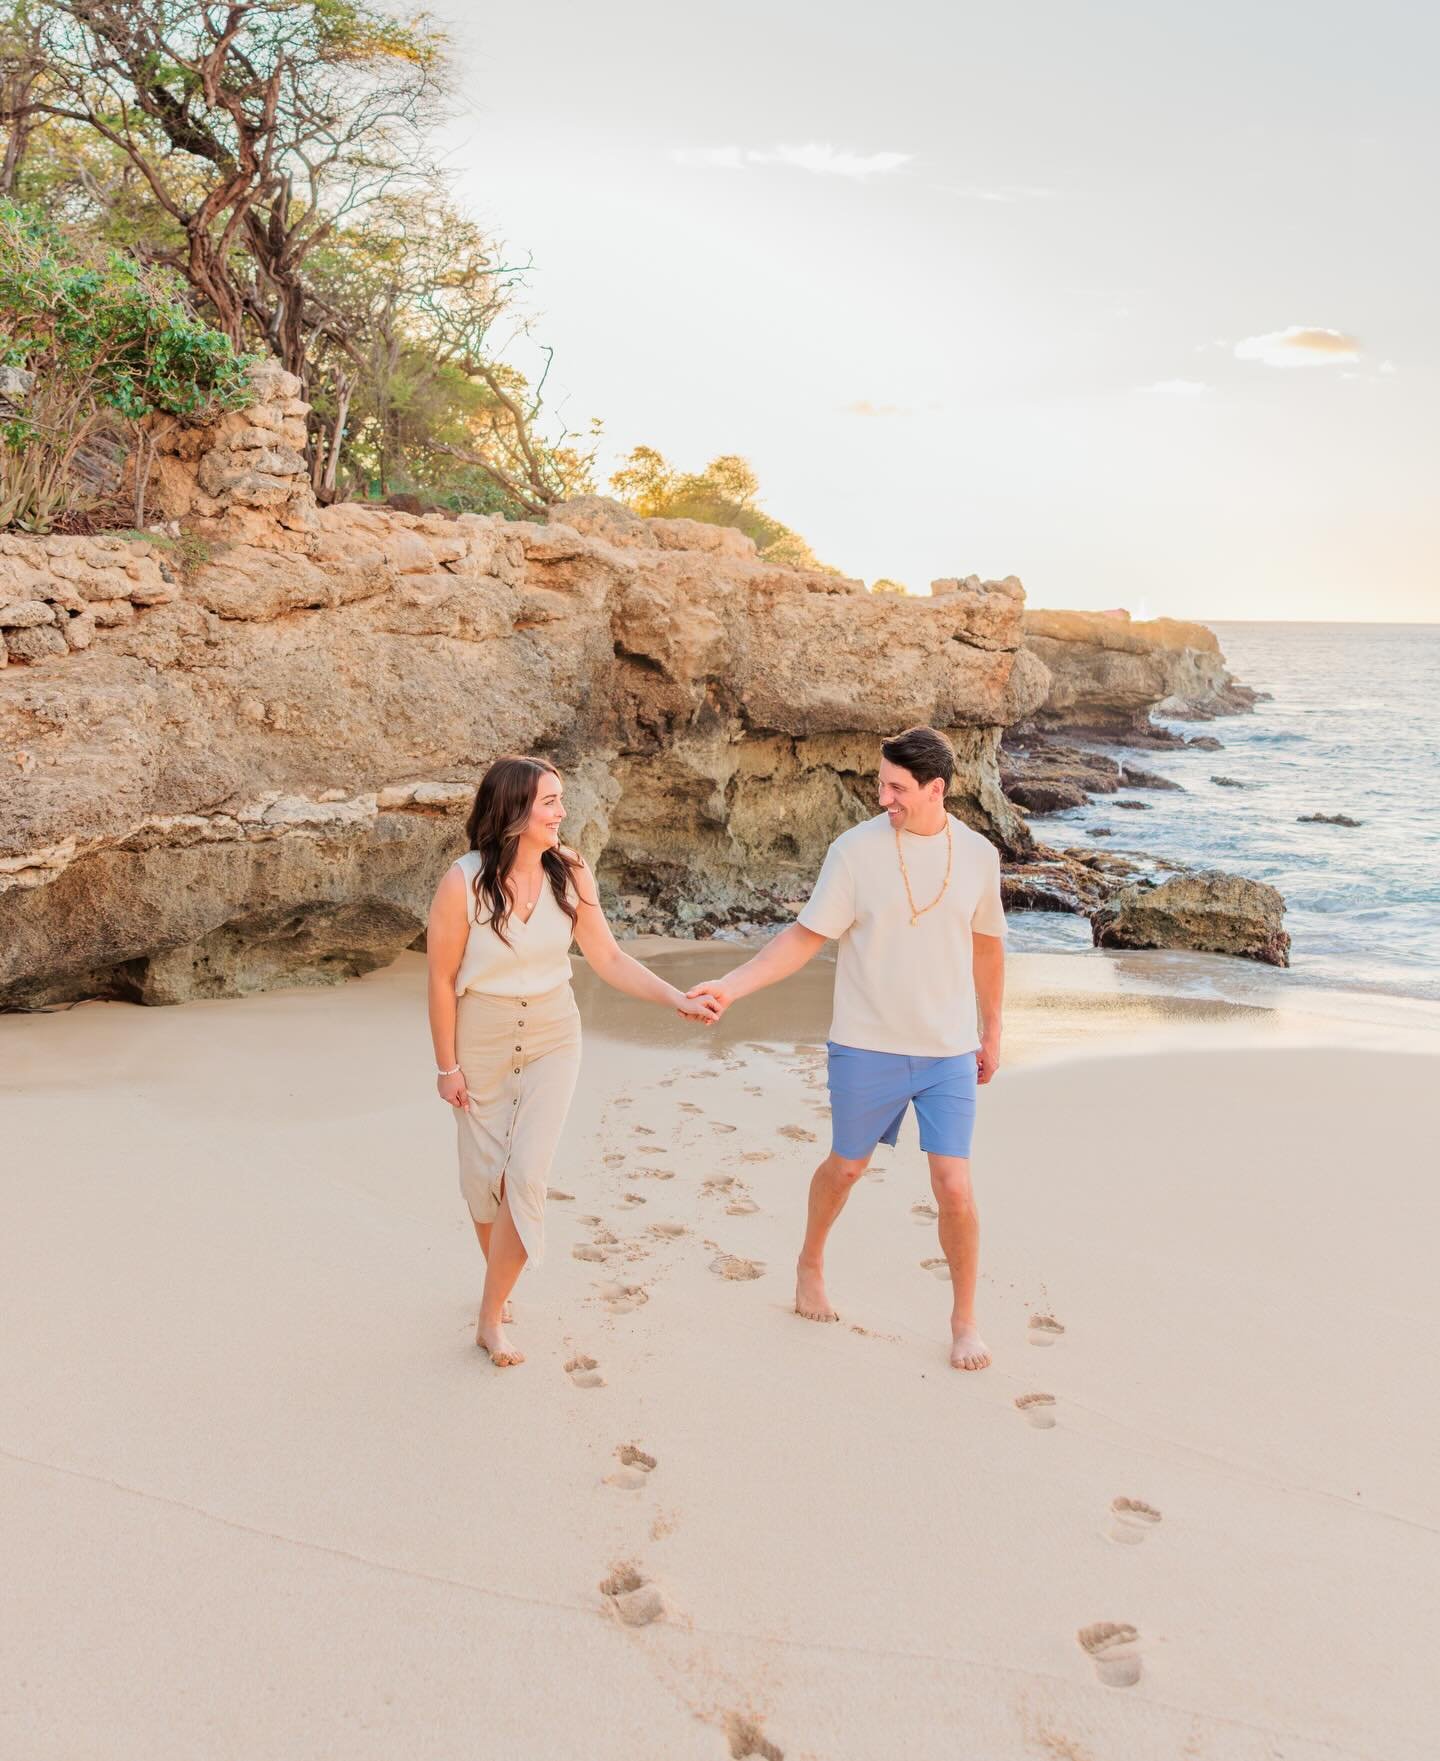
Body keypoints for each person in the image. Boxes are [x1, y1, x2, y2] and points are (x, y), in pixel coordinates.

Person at [686, 726, 1006, 1371]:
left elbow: (987, 945)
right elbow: (805, 938)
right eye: (880, 782)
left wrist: (992, 1030)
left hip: (947, 1049)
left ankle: (965, 1320)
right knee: (847, 1167)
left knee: (954, 1187)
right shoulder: (854, 852)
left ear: (935, 789)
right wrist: (732, 984)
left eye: (896, 786)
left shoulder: (977, 855)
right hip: (867, 1043)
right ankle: (810, 1262)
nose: (882, 796)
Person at [426, 755, 720, 1367]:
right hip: (480, 1036)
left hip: (555, 1035)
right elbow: (441, 977)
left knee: (526, 1174)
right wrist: (447, 1066)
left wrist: (674, 998)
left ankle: (489, 1317)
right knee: (485, 1182)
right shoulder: (463, 882)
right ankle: (497, 1286)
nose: (562, 812)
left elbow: (608, 959)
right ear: (514, 810)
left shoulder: (571, 872)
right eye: (550, 801)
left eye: (561, 800)